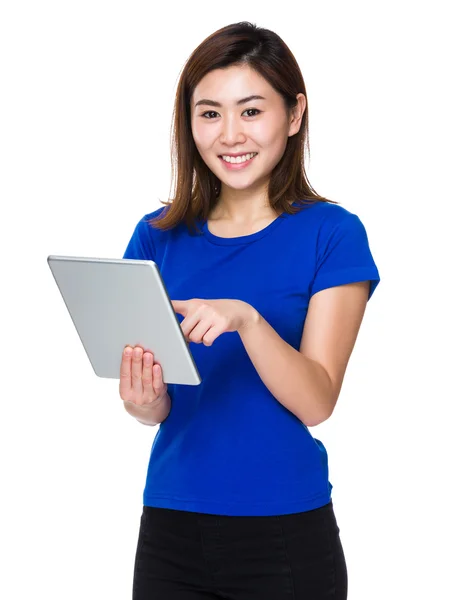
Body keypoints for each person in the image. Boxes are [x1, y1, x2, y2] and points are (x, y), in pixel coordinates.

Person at [121, 21, 380, 600]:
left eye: (251, 110)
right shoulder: (156, 237)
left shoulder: (332, 235)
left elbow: (317, 401)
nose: (230, 134)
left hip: (283, 531)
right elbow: (159, 406)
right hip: (170, 524)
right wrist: (145, 400)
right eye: (209, 113)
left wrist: (249, 320)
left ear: (293, 115)